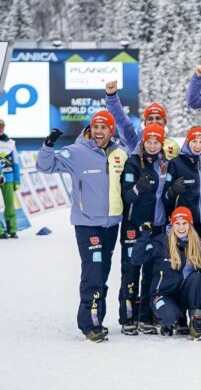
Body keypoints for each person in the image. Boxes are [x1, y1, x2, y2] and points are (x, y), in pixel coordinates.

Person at [36, 111, 128, 342]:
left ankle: (98, 318)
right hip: (87, 224)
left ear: (111, 131)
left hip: (111, 224)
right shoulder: (77, 152)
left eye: (104, 127)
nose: (98, 131)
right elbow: (45, 166)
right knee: (93, 272)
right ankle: (90, 324)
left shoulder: (120, 152)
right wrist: (48, 145)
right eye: (95, 127)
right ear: (90, 129)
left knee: (102, 272)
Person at [118, 124, 169, 335]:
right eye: (149, 141)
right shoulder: (133, 163)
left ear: (161, 144)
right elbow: (127, 196)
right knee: (131, 271)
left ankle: (145, 317)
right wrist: (139, 187)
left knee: (150, 273)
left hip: (157, 226)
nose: (152, 146)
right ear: (143, 142)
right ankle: (128, 317)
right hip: (134, 227)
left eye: (156, 142)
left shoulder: (164, 165)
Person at [131, 206, 201, 340]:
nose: (181, 227)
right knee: (169, 316)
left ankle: (195, 325)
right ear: (172, 225)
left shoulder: (199, 245)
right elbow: (136, 259)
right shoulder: (161, 242)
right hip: (163, 294)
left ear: (190, 225)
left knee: (197, 278)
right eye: (177, 223)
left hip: (184, 295)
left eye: (184, 223)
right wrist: (144, 236)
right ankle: (171, 320)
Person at [163, 127, 201, 243]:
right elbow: (166, 199)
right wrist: (173, 191)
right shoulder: (176, 163)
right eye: (194, 141)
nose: (197, 146)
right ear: (188, 142)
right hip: (183, 227)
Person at [105, 80, 180, 159]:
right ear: (145, 122)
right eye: (150, 118)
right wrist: (111, 96)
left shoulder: (172, 146)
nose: (154, 122)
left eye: (158, 118)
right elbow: (121, 120)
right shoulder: (135, 140)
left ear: (165, 121)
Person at [0, 118, 20, 239]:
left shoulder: (10, 143)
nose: (0, 129)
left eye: (2, 127)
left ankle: (12, 229)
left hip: (8, 177)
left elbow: (16, 163)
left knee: (10, 205)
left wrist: (17, 180)